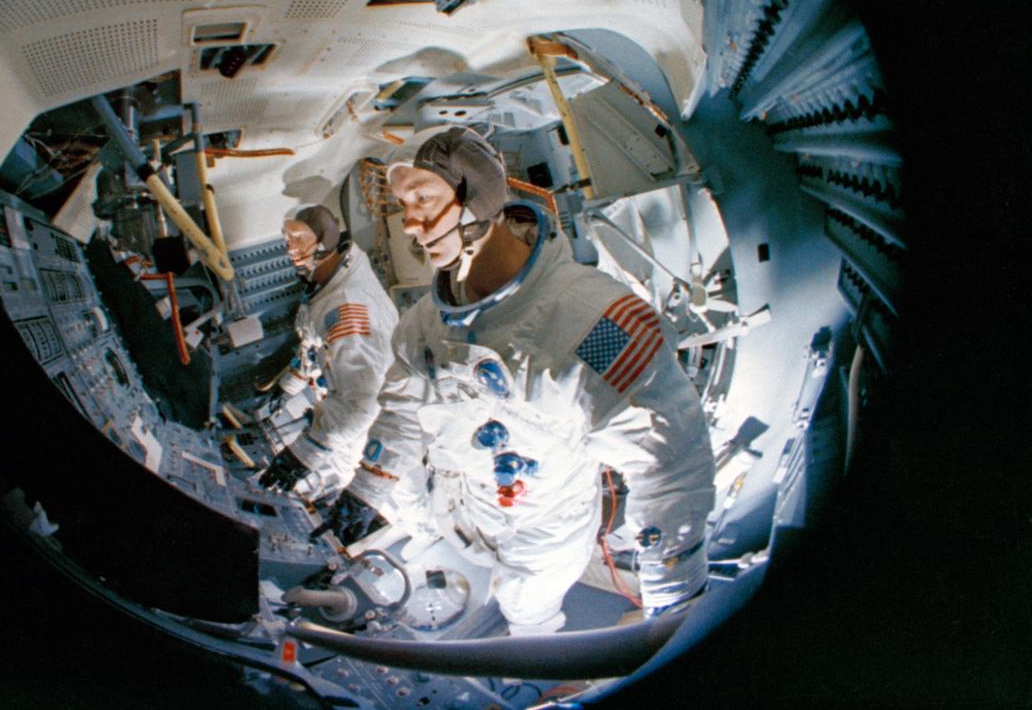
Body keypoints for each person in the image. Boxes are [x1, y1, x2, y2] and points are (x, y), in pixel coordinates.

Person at [314, 126, 716, 635]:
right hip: (465, 510)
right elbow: (400, 412)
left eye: (423, 199)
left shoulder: (589, 318)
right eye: (403, 204)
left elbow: (669, 463)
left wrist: (672, 596)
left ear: (477, 197)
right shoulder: (426, 323)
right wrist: (369, 486)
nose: (411, 224)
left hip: (543, 531)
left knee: (526, 611)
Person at [258, 204, 400, 497]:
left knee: (388, 496)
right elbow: (314, 345)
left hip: (373, 427)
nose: (290, 248)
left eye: (298, 237)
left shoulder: (345, 304)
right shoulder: (331, 280)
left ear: (324, 240)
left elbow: (363, 402)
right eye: (287, 238)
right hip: (348, 417)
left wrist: (306, 454)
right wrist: (290, 384)